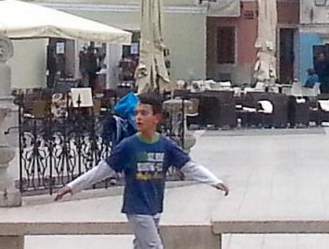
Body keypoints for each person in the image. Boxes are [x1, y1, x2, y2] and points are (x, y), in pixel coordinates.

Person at [55, 93, 228, 248]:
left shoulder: (165, 145)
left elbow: (189, 167)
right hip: (137, 208)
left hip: (155, 206)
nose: (138, 118)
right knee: (154, 246)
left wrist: (214, 181)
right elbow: (102, 170)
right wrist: (72, 187)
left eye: (144, 113)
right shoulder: (128, 146)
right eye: (136, 113)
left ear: (156, 118)